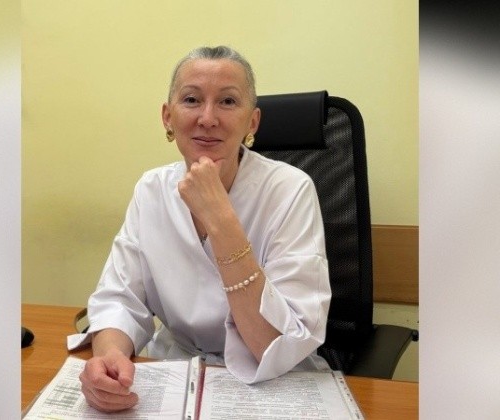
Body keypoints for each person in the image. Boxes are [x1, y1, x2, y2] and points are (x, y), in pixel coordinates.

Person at [68, 45, 331, 413]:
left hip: (274, 383)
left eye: (227, 101)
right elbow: (120, 298)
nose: (208, 118)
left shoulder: (290, 189)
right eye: (191, 100)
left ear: (252, 122)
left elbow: (276, 345)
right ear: (168, 117)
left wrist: (221, 221)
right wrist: (110, 359)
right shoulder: (152, 189)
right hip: (176, 372)